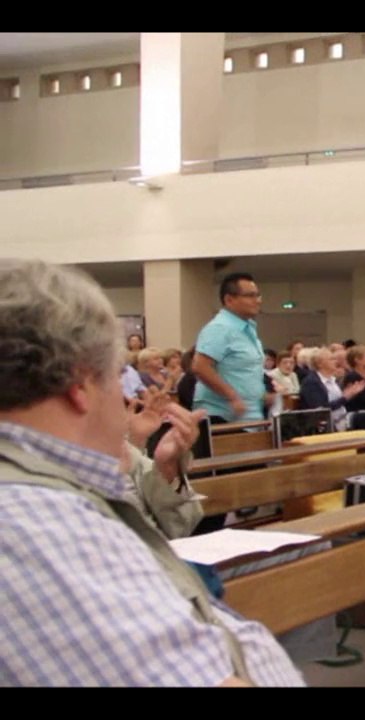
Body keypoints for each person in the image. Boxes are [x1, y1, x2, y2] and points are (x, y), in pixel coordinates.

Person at [0, 259, 304, 686]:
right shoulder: (37, 526)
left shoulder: (59, 483)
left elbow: (170, 523)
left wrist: (159, 464)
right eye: (115, 376)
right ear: (81, 385)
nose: (127, 399)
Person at [191, 273, 267, 426]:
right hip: (222, 416)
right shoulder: (220, 328)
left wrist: (263, 395)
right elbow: (200, 367)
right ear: (229, 300)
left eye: (258, 295)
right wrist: (232, 396)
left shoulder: (247, 328)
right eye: (250, 296)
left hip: (248, 417)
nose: (258, 301)